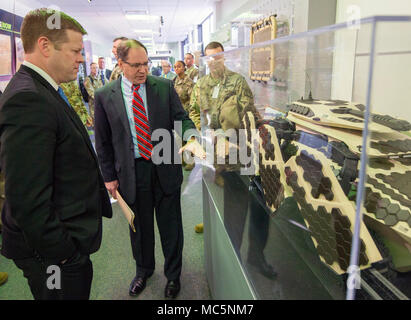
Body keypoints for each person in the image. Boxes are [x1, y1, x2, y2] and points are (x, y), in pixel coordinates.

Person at [0, 8, 112, 300]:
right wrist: (64, 254)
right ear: (45, 46)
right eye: (75, 50)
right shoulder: (29, 99)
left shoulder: (44, 90)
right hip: (51, 255)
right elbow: (26, 197)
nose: (81, 58)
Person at [94, 39, 205, 299]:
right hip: (132, 172)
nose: (143, 70)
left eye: (146, 63)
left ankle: (173, 275)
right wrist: (108, 176)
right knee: (140, 228)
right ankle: (143, 271)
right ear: (120, 64)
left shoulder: (163, 87)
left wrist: (190, 137)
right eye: (136, 65)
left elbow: (182, 117)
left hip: (164, 166)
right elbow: (103, 141)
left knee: (171, 226)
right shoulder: (105, 96)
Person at [188, 41, 276, 278]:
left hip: (249, 151)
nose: (213, 61)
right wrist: (207, 133)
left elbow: (249, 111)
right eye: (209, 58)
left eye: (217, 56)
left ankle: (257, 257)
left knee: (260, 208)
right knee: (235, 210)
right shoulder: (203, 85)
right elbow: (197, 113)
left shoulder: (237, 81)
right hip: (225, 157)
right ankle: (233, 262)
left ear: (224, 57)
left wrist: (262, 131)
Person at [174, 60, 195, 171]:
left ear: (184, 68)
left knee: (189, 137)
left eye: (179, 67)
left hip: (187, 114)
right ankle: (181, 158)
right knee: (179, 137)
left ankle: (191, 161)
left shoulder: (189, 82)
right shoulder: (174, 81)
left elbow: (193, 100)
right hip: (177, 114)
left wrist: (192, 115)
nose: (176, 69)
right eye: (175, 67)